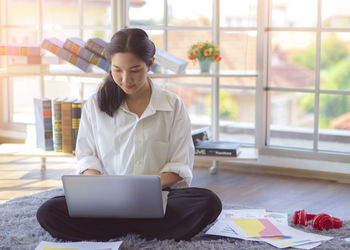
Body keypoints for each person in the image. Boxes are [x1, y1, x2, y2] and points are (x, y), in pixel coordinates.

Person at [36, 28, 222, 241]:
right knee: (49, 210)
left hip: (159, 198)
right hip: (106, 201)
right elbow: (87, 157)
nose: (126, 79)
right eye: (117, 70)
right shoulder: (95, 105)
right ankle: (147, 230)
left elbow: (180, 163)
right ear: (110, 67)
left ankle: (112, 230)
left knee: (208, 201)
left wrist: (144, 190)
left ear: (150, 64)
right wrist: (103, 188)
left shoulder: (172, 105)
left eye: (135, 70)